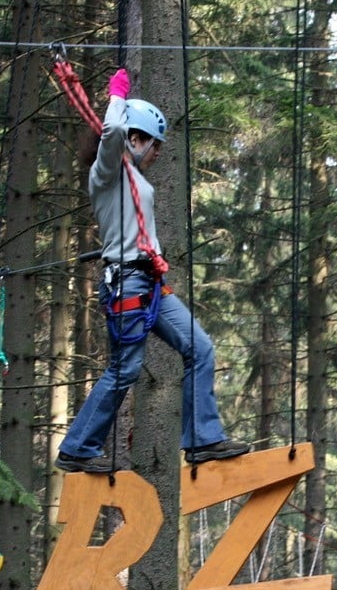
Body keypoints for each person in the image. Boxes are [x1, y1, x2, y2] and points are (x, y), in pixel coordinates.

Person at [56, 68, 249, 474]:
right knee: (124, 368)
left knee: (200, 348)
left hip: (150, 284)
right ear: (134, 138)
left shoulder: (132, 177)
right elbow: (111, 134)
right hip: (127, 280)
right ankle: (77, 448)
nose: (157, 153)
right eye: (153, 144)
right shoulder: (106, 173)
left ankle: (202, 440)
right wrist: (117, 98)